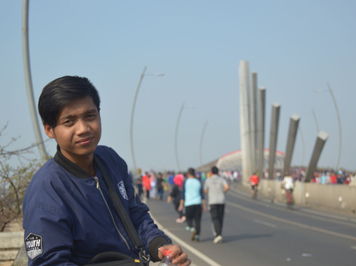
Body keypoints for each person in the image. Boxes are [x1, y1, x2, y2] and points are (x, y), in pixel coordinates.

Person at [22, 76, 190, 266]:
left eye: (90, 116)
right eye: (69, 122)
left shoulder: (110, 160)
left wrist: (159, 246)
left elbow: (136, 215)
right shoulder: (47, 189)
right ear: (49, 130)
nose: (83, 129)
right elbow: (49, 263)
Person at [204, 166, 229, 244]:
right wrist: (222, 192)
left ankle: (218, 234)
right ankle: (219, 234)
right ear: (218, 172)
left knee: (215, 218)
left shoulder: (208, 180)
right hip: (221, 200)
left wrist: (211, 192)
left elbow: (205, 190)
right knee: (220, 218)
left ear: (211, 172)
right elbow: (227, 187)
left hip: (213, 201)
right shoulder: (221, 179)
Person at [179, 168, 205, 242]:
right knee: (198, 220)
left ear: (188, 174)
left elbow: (183, 194)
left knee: (189, 218)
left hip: (189, 203)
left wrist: (181, 204)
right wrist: (204, 204)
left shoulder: (186, 181)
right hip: (198, 203)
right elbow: (202, 194)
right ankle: (197, 235)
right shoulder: (198, 181)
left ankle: (192, 227)